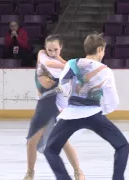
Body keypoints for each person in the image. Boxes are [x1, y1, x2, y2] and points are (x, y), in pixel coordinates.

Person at [43, 33, 129, 180]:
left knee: (50, 150)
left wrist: (70, 104)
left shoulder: (71, 64)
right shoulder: (105, 71)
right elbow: (112, 101)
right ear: (100, 49)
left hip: (70, 114)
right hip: (94, 114)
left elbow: (63, 87)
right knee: (122, 146)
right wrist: (103, 111)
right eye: (103, 50)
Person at [24, 34, 84, 180]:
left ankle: (78, 171)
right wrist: (67, 65)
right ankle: (30, 173)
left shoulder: (64, 70)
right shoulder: (43, 55)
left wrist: (67, 66)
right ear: (45, 48)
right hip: (43, 104)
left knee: (59, 140)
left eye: (56, 50)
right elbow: (47, 63)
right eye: (49, 49)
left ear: (61, 48)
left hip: (54, 105)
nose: (52, 53)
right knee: (32, 141)